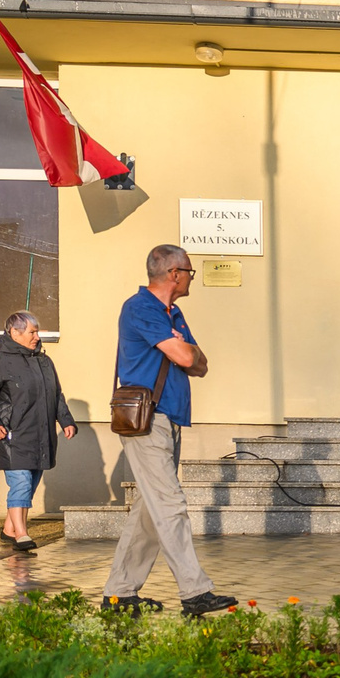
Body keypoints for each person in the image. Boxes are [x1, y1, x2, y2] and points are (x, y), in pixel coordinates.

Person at [103, 247, 236, 616]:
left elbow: (200, 364)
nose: (193, 278)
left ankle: (119, 593)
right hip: (147, 421)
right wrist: (184, 348)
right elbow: (186, 357)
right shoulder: (140, 307)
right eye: (191, 272)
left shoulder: (172, 312)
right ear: (174, 273)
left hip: (168, 418)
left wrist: (186, 348)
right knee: (170, 505)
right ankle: (195, 592)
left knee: (149, 511)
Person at [0, 311, 75, 551]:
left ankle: (9, 528)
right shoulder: (0, 362)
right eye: (32, 332)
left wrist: (66, 420)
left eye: (38, 331)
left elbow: (56, 394)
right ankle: (21, 535)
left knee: (30, 483)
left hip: (40, 433)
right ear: (14, 333)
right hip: (11, 434)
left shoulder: (44, 361)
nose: (37, 337)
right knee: (20, 483)